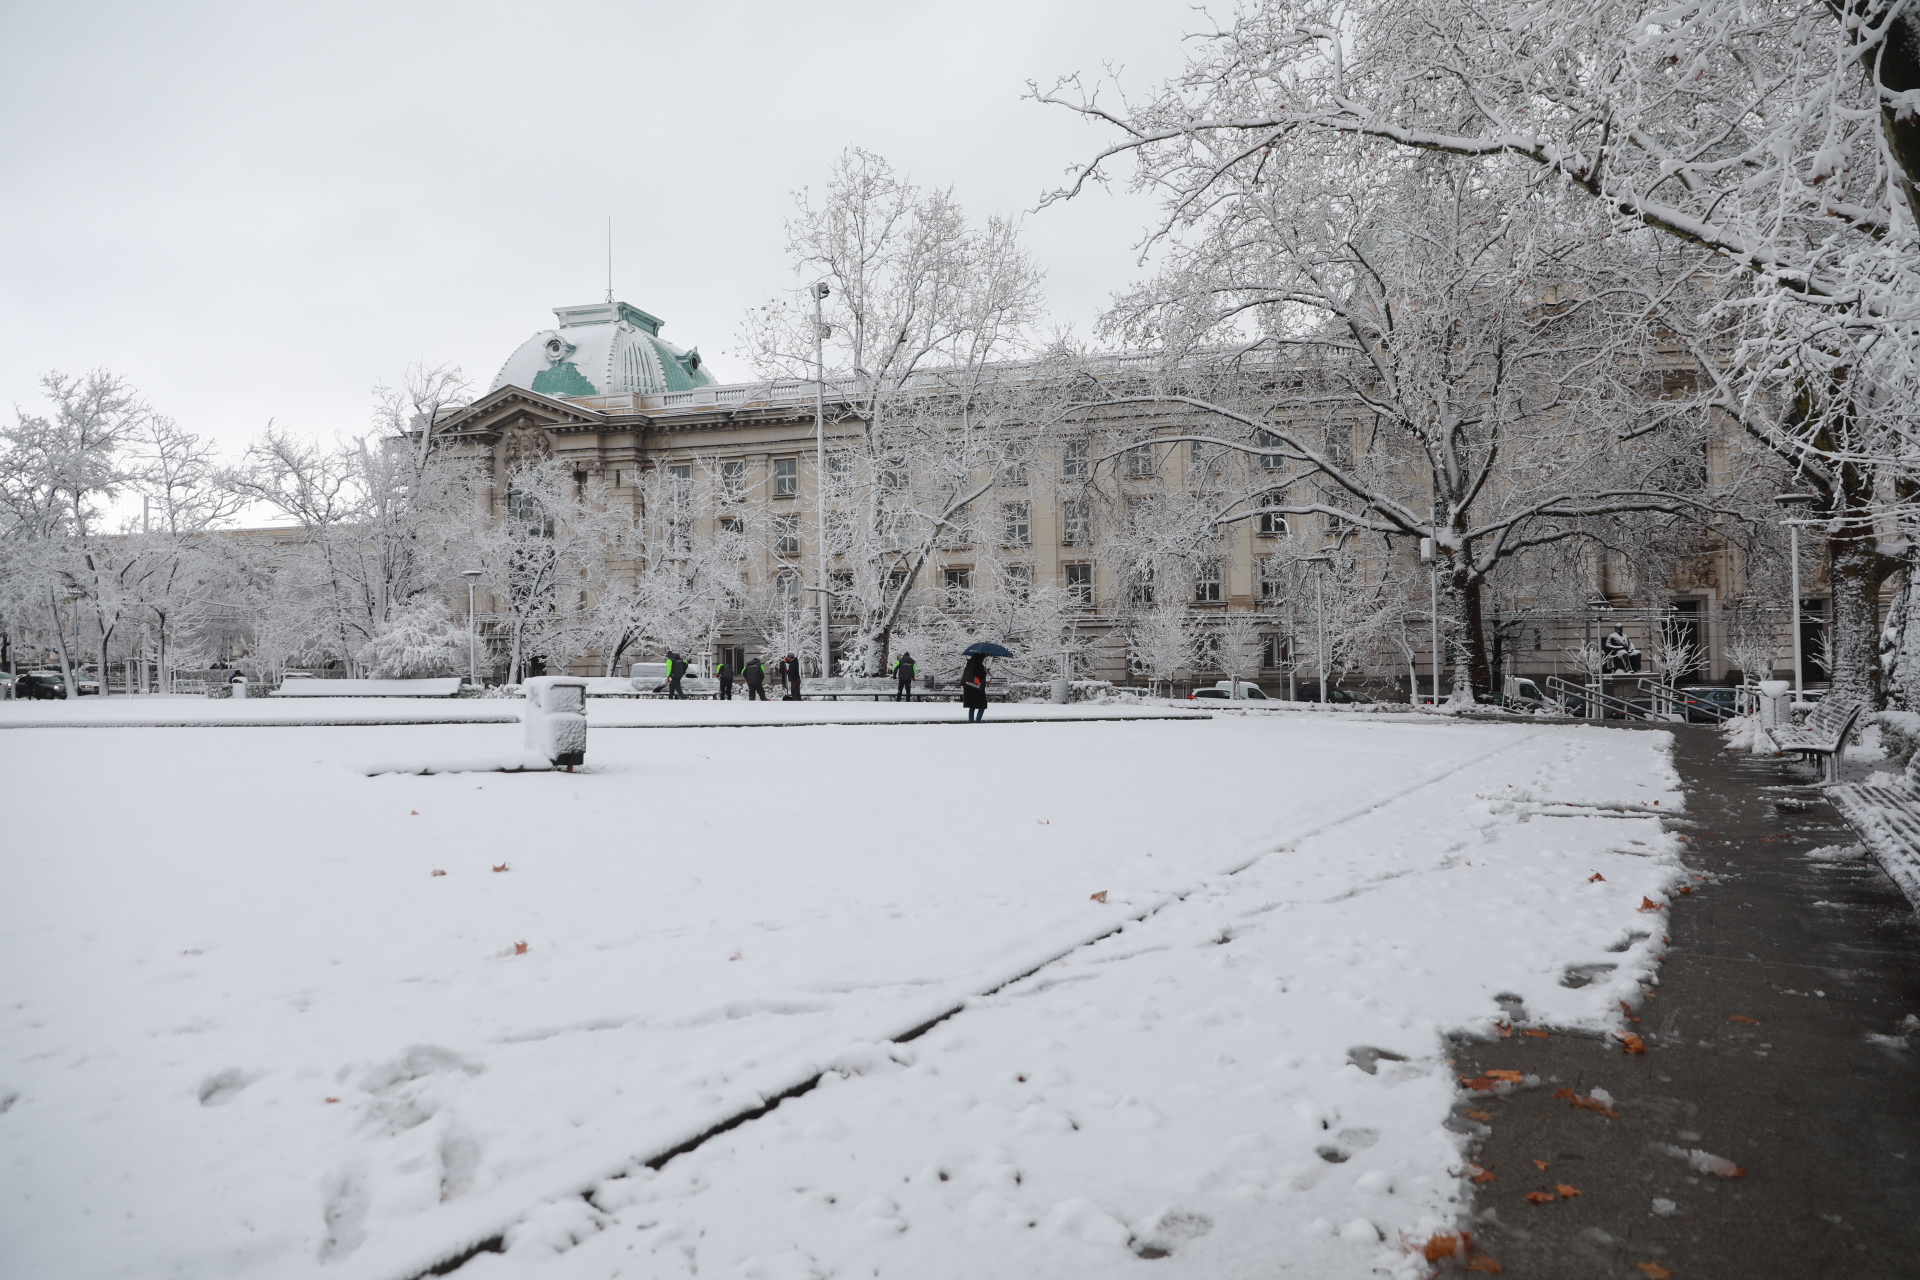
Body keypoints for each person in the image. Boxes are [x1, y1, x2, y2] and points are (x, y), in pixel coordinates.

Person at [961, 652, 989, 722]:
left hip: (969, 686)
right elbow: (978, 674)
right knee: (982, 706)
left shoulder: (971, 662)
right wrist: (985, 671)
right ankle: (977, 722)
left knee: (972, 706)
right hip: (976, 688)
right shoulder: (977, 663)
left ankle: (971, 722)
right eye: (986, 654)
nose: (986, 656)